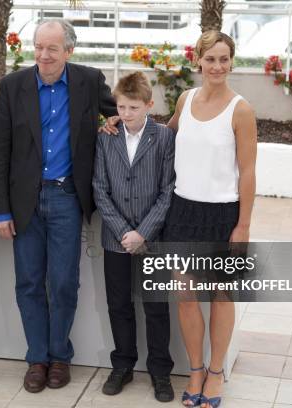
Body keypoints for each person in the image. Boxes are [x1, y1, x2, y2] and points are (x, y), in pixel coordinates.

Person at [0, 19, 117, 393]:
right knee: (29, 283)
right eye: (38, 47)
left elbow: (121, 112)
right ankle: (37, 358)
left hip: (67, 198)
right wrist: (0, 210)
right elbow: (0, 151)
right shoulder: (13, 86)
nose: (43, 55)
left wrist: (112, 120)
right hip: (23, 201)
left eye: (52, 49)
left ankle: (60, 356)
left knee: (63, 283)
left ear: (68, 51)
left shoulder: (89, 81)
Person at [164, 31, 257, 408]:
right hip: (182, 211)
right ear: (198, 61)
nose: (217, 66)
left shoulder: (241, 109)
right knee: (186, 297)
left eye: (224, 58)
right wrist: (118, 125)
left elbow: (248, 172)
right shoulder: (185, 100)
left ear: (231, 61)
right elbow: (162, 136)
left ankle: (216, 372)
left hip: (223, 213)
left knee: (221, 295)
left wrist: (243, 225)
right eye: (211, 59)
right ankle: (196, 370)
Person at [92, 71, 176, 402]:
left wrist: (142, 232)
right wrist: (123, 231)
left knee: (155, 307)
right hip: (116, 238)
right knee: (119, 304)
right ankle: (123, 364)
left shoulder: (164, 138)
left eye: (133, 108)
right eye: (121, 107)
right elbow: (99, 188)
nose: (126, 115)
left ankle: (160, 371)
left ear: (149, 105)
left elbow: (168, 190)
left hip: (152, 239)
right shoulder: (106, 137)